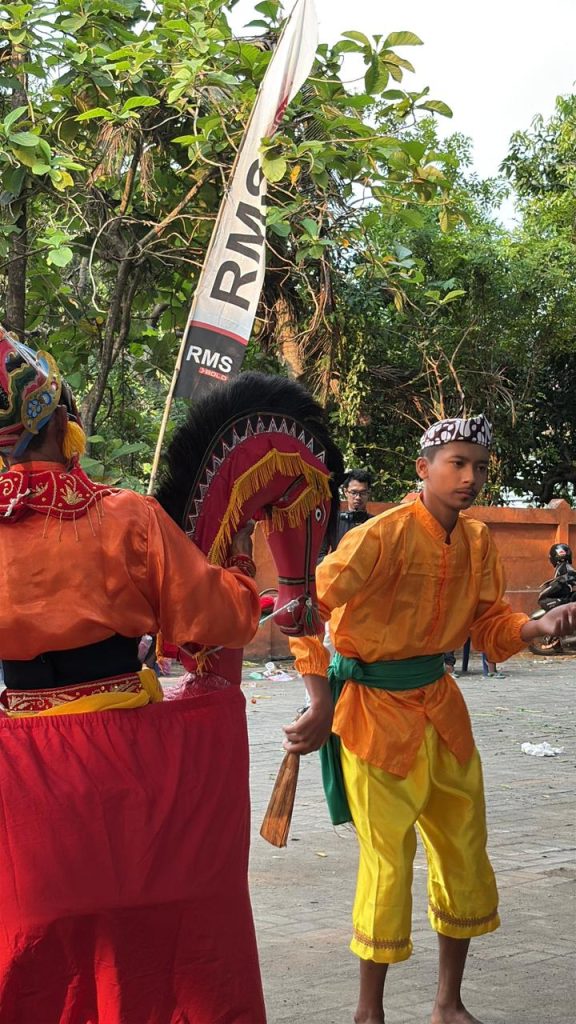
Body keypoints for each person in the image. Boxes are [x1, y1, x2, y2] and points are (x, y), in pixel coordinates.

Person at [0, 327, 265, 1021]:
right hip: (136, 781)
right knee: (156, 957)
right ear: (61, 424)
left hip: (23, 791)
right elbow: (218, 622)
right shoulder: (127, 519)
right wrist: (239, 568)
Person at [284, 414, 576, 1024]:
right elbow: (304, 610)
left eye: (480, 467)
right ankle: (370, 1013)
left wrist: (537, 626)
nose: (470, 478)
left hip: (443, 711)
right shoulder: (377, 536)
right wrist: (319, 702)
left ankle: (448, 1003)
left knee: (464, 853)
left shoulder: (475, 542)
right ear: (423, 469)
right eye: (457, 463)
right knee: (388, 865)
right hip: (373, 717)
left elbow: (489, 623)